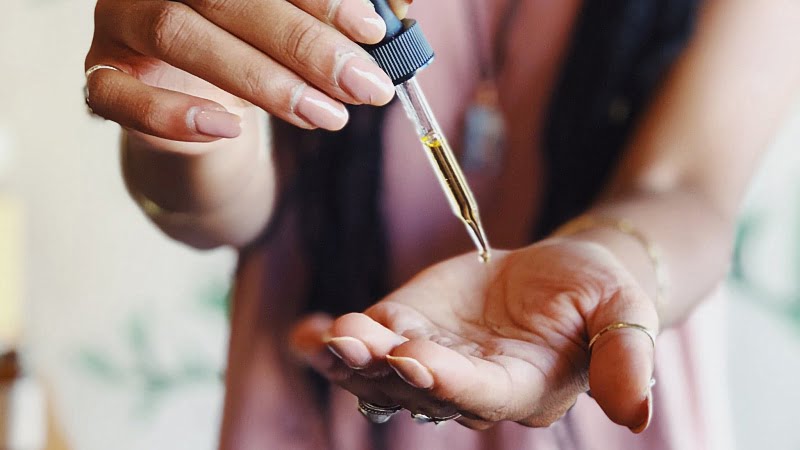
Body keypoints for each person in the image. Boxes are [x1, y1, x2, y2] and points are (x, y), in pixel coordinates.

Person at [84, 0, 800, 448]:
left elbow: (686, 189)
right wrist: (182, 115)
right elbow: (219, 211)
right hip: (306, 410)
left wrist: (611, 268)